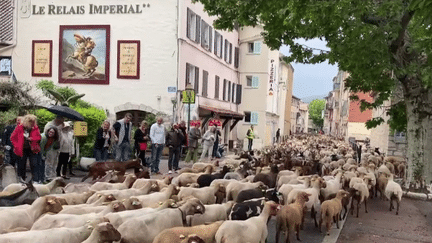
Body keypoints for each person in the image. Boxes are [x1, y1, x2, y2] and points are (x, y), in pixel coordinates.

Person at [10, 114, 41, 182]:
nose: (33, 123)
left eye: (34, 122)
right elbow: (12, 138)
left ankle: (35, 181)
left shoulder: (35, 128)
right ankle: (22, 180)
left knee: (34, 164)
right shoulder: (19, 127)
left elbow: (39, 137)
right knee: (21, 165)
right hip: (22, 149)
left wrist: (31, 139)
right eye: (31, 122)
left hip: (32, 149)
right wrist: (16, 146)